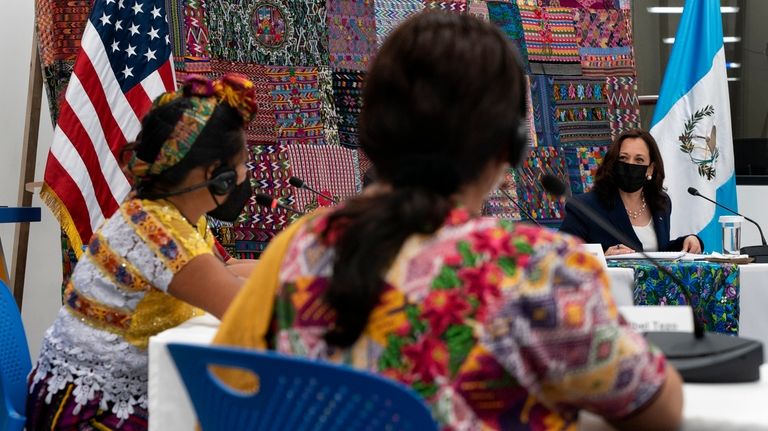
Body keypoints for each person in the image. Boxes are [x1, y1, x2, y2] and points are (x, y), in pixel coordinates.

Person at [213, 12, 683, 430]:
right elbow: (657, 408)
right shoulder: (536, 269)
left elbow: (228, 396)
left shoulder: (297, 246)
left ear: (375, 131)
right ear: (509, 148)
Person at [26, 73, 256, 429]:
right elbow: (249, 310)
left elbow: (225, 274)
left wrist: (299, 259)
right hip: (88, 413)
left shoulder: (164, 211)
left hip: (88, 392)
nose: (245, 175)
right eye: (242, 165)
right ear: (216, 175)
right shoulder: (159, 232)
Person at [560, 129, 704, 256]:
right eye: (623, 158)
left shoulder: (661, 202)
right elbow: (560, 256)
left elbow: (658, 253)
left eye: (639, 160)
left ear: (650, 169)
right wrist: (603, 258)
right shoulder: (585, 207)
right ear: (613, 163)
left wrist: (686, 241)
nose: (630, 165)